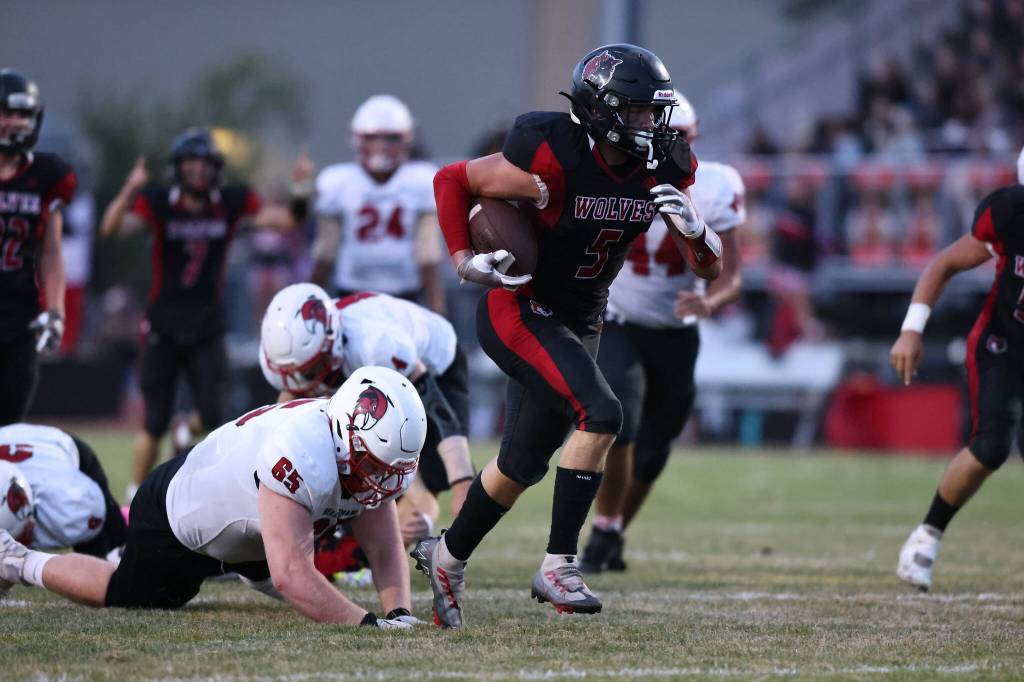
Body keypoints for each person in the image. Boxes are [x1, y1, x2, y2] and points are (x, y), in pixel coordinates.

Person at [412, 43, 722, 628]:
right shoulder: (552, 152)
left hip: (583, 316)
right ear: (602, 110)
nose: (649, 125)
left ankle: (446, 557)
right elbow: (453, 178)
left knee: (522, 463)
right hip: (521, 306)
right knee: (602, 413)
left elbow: (708, 269)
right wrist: (462, 259)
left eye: (653, 113)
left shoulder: (664, 166)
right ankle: (559, 564)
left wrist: (696, 229)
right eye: (635, 112)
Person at [0, 367, 427, 628]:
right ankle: (18, 560)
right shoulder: (303, 450)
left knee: (300, 570)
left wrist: (400, 613)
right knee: (130, 594)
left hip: (246, 525)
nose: (381, 480)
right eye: (374, 464)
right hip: (179, 517)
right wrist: (369, 624)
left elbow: (383, 542)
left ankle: (243, 566)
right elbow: (291, 575)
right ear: (346, 434)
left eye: (390, 468)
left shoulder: (353, 445)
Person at [579, 91, 746, 573]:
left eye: (681, 139)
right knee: (621, 422)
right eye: (664, 135)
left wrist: (708, 301)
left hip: (676, 328)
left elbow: (732, 278)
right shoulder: (616, 172)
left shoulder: (715, 186)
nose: (669, 146)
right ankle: (601, 531)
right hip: (620, 321)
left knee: (655, 448)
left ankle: (612, 533)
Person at [99, 128, 308, 498]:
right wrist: (132, 187)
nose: (197, 171)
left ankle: (187, 434)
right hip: (163, 323)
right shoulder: (160, 202)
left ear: (216, 168)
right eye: (190, 163)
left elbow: (287, 220)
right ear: (178, 168)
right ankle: (135, 494)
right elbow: (112, 227)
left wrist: (302, 189)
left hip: (207, 325)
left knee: (213, 414)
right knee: (154, 420)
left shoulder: (229, 203)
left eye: (204, 164)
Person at [891, 145, 1024, 591]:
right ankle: (925, 535)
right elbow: (944, 262)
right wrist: (912, 329)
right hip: (1003, 342)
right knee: (990, 446)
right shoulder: (1009, 212)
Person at [259, 282, 474, 546]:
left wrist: (462, 479)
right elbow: (285, 407)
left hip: (436, 368)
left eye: (312, 369)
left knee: (426, 470)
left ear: (331, 344)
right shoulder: (292, 357)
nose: (303, 382)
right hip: (367, 377)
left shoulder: (375, 345)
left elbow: (435, 405)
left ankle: (375, 544)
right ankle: (350, 541)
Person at [311, 95, 447, 314]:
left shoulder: (421, 180)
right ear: (357, 139)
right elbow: (326, 251)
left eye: (391, 138)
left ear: (407, 140)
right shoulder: (337, 182)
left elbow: (428, 254)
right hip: (351, 293)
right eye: (373, 138)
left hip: (405, 295)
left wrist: (438, 311)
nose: (381, 147)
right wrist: (311, 301)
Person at [0, 69, 75, 424]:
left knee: (11, 425)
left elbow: (51, 250)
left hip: (18, 312)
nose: (15, 123)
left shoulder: (47, 175)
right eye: (7, 112)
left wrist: (56, 311)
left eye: (23, 115)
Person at [0, 423, 126, 560]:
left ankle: (130, 517)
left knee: (110, 560)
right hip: (25, 444)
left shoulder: (70, 504)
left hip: (61, 452)